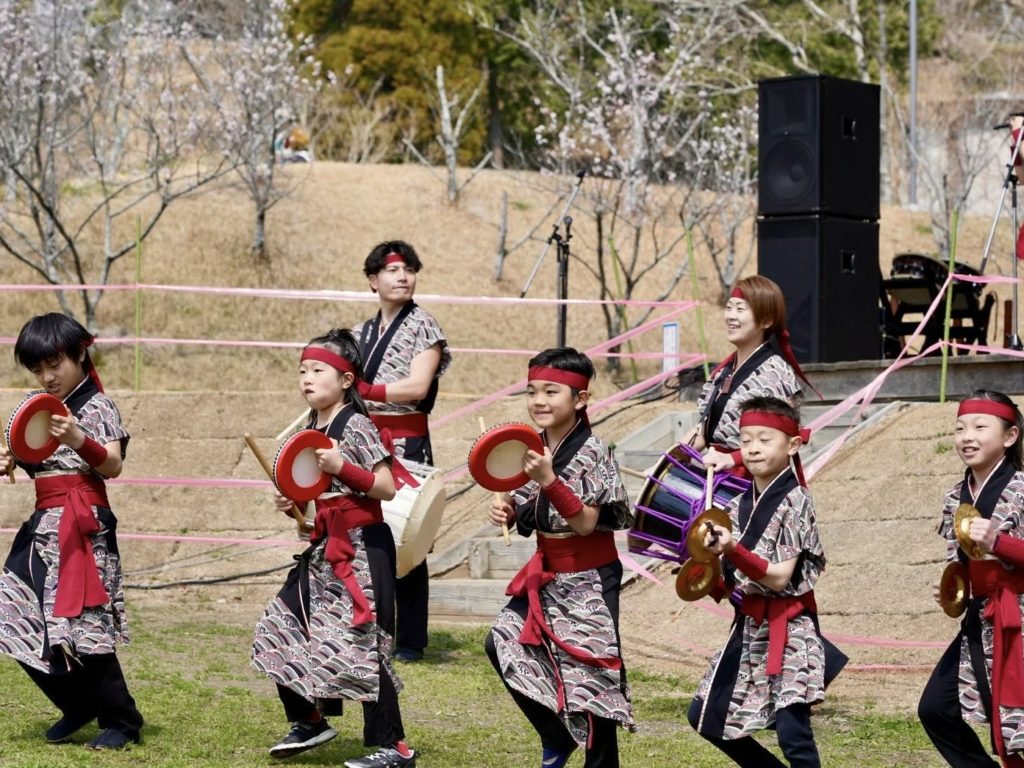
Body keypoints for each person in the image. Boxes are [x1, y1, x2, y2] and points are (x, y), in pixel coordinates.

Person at [251, 329, 416, 768]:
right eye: (302, 370)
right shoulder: (312, 428)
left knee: (364, 644)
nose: (307, 378)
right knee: (280, 623)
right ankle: (310, 719)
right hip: (326, 546)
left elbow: (384, 488)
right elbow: (312, 502)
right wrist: (291, 503)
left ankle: (394, 747)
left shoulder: (356, 424)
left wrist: (343, 466)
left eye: (317, 370)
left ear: (345, 380)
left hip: (363, 547)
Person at [0, 312, 143, 749]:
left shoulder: (98, 406)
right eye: (38, 368)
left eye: (54, 364)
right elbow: (28, 455)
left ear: (81, 354)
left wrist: (79, 438)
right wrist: (9, 459)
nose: (47, 376)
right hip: (42, 523)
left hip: (84, 526)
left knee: (87, 624)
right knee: (11, 611)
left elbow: (112, 465)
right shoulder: (36, 407)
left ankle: (121, 720)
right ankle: (78, 704)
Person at [486, 348, 634, 768]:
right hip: (548, 572)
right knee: (501, 642)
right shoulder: (529, 446)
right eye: (532, 391)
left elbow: (587, 523)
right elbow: (522, 499)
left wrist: (549, 480)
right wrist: (508, 510)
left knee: (591, 679)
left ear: (581, 399)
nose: (539, 401)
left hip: (590, 576)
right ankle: (556, 736)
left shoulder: (593, 452)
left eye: (552, 391)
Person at [687, 396, 845, 768]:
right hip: (749, 626)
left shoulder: (796, 499)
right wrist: (704, 568)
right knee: (706, 718)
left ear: (792, 445)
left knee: (793, 734)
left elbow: (778, 577)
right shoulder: (736, 504)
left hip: (790, 629)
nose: (753, 448)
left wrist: (733, 548)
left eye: (764, 439)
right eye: (745, 440)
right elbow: (732, 583)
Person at [353, 240, 450, 663]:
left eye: (409, 269)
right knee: (367, 528)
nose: (402, 277)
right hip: (368, 437)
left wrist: (365, 390)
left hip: (407, 440)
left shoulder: (425, 326)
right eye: (392, 270)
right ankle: (371, 627)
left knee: (408, 532)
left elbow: (417, 388)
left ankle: (410, 639)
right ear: (373, 280)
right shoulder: (361, 333)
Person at [918, 390, 1024, 768]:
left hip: (1018, 618)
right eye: (961, 427)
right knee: (935, 709)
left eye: (981, 427)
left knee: (1014, 722)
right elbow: (961, 561)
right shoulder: (955, 497)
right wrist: (952, 588)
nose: (967, 436)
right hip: (979, 619)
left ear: (1010, 437)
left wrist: (1000, 542)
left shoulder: (1022, 489)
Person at [684, 275, 814, 475]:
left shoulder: (775, 374)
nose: (731, 316)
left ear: (767, 320)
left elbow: (778, 439)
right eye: (729, 308)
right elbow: (705, 429)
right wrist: (667, 460)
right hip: (715, 472)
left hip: (750, 481)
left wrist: (731, 458)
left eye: (740, 309)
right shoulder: (723, 371)